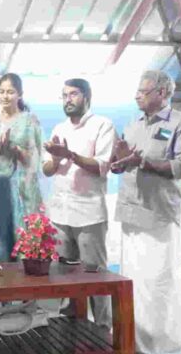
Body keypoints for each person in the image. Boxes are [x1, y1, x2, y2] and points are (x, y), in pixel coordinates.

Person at [111, 70, 181, 354]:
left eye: (143, 91)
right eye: (137, 91)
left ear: (161, 93)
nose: (137, 96)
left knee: (159, 284)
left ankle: (164, 346)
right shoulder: (132, 124)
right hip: (131, 212)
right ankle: (134, 342)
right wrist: (119, 161)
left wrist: (143, 162)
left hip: (159, 214)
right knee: (133, 283)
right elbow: (124, 163)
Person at [42, 78, 116, 329]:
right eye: (64, 96)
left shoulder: (102, 125)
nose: (68, 100)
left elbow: (101, 166)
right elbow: (47, 170)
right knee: (64, 277)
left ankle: (103, 329)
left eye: (73, 94)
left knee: (94, 275)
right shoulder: (59, 128)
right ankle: (71, 327)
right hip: (60, 214)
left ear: (87, 96)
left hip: (89, 213)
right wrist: (55, 159)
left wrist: (70, 155)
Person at [0, 73, 43, 262]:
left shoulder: (29, 121)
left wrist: (15, 150)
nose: (5, 96)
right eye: (1, 92)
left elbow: (37, 158)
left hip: (23, 190)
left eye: (10, 92)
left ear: (20, 94)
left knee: (25, 241)